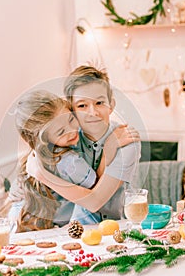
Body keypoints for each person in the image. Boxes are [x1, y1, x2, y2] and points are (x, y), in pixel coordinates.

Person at [0, 88, 136, 230]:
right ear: (44, 139)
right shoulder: (68, 161)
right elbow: (94, 191)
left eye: (71, 119)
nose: (71, 130)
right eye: (61, 132)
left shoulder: (40, 155)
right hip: (49, 228)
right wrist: (108, 151)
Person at [26, 65, 141, 224]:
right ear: (71, 109)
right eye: (82, 105)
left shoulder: (126, 140)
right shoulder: (67, 136)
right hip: (67, 229)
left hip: (116, 229)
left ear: (111, 105)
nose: (93, 113)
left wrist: (41, 175)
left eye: (99, 102)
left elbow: (95, 201)